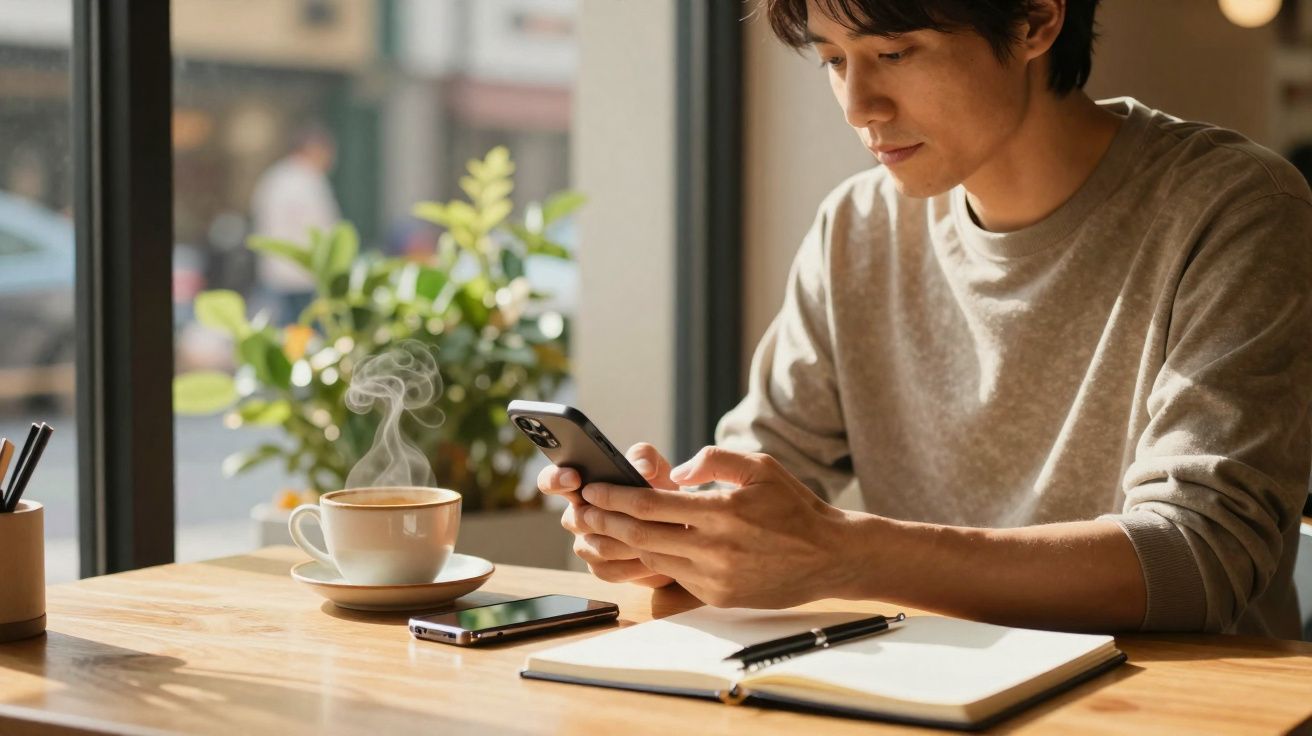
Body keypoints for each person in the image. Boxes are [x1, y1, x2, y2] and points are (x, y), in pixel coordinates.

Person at [538, 0, 1312, 638]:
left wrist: (845, 553)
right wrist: (677, 535)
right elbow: (764, 465)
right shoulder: (857, 229)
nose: (857, 106)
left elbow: (1197, 560)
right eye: (835, 60)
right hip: (928, 697)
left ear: (1037, 21)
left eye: (895, 53)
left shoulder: (1236, 211)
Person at [250, 123, 340, 324]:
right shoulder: (308, 180)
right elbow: (324, 231)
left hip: (275, 274)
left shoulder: (275, 177)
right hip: (304, 278)